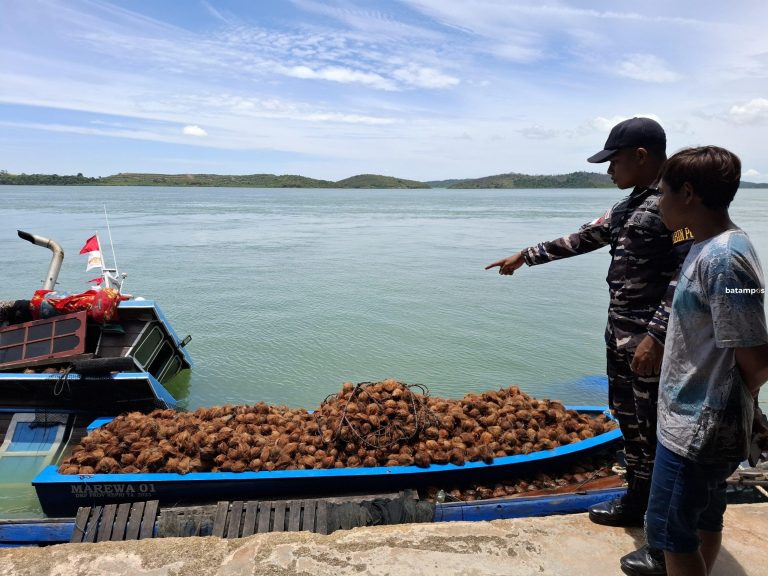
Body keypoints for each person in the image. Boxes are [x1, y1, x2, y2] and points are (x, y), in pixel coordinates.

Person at [486, 117, 693, 527]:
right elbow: (584, 238)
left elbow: (685, 276)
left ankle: (664, 518)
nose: (609, 170)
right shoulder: (628, 205)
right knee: (628, 419)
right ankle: (636, 499)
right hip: (620, 336)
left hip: (652, 344)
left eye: (613, 161)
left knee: (656, 427)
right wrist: (525, 256)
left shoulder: (677, 204)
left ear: (640, 155)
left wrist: (656, 335)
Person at [620, 146, 768, 576]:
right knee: (703, 518)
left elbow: (756, 353)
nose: (657, 202)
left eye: (663, 192)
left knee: (669, 534)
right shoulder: (708, 247)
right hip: (698, 420)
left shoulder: (726, 263)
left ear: (688, 193)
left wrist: (741, 405)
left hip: (697, 427)